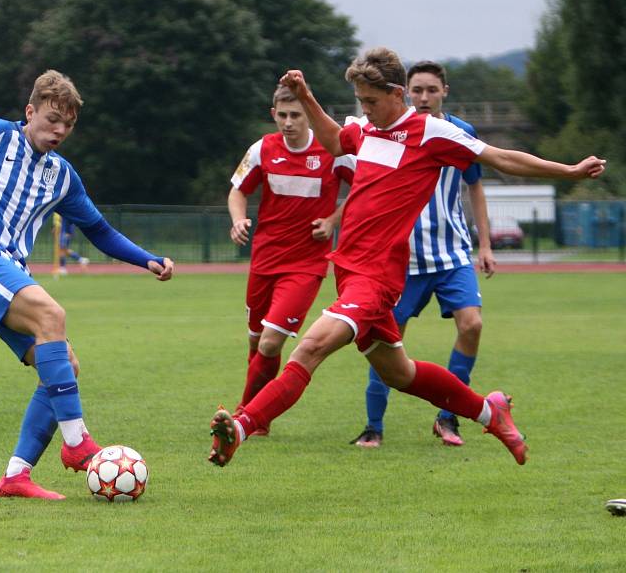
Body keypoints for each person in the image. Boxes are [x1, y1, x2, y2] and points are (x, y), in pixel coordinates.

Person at [208, 47, 605, 468]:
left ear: (397, 93)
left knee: (310, 347)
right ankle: (491, 413)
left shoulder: (431, 132)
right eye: (361, 101)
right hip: (349, 270)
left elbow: (499, 157)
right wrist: (305, 95)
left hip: (377, 277)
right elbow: (332, 139)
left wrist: (569, 171)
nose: (365, 109)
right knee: (400, 373)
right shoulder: (365, 130)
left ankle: (243, 427)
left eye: (372, 101)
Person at [0, 69, 174, 500]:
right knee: (52, 314)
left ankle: (16, 476)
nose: (59, 130)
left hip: (7, 268)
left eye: (68, 124)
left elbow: (100, 231)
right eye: (52, 119)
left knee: (64, 366)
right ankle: (76, 444)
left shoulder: (61, 176)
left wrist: (147, 259)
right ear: (30, 112)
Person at [351, 60, 496, 449]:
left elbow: (475, 186)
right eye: (418, 90)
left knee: (472, 325)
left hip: (451, 254)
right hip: (405, 260)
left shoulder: (458, 133)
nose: (425, 97)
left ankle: (449, 418)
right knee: (388, 340)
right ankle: (373, 426)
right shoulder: (387, 133)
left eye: (432, 89)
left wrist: (484, 243)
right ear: (405, 93)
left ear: (444, 91)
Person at [228, 84, 355, 435]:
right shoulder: (262, 149)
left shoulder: (333, 150)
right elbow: (238, 190)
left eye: (296, 115)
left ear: (308, 115)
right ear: (274, 115)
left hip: (306, 264)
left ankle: (243, 417)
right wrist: (238, 219)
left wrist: (332, 221)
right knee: (256, 342)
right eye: (282, 115)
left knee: (271, 341)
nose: (288, 122)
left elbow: (364, 187)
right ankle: (260, 421)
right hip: (264, 260)